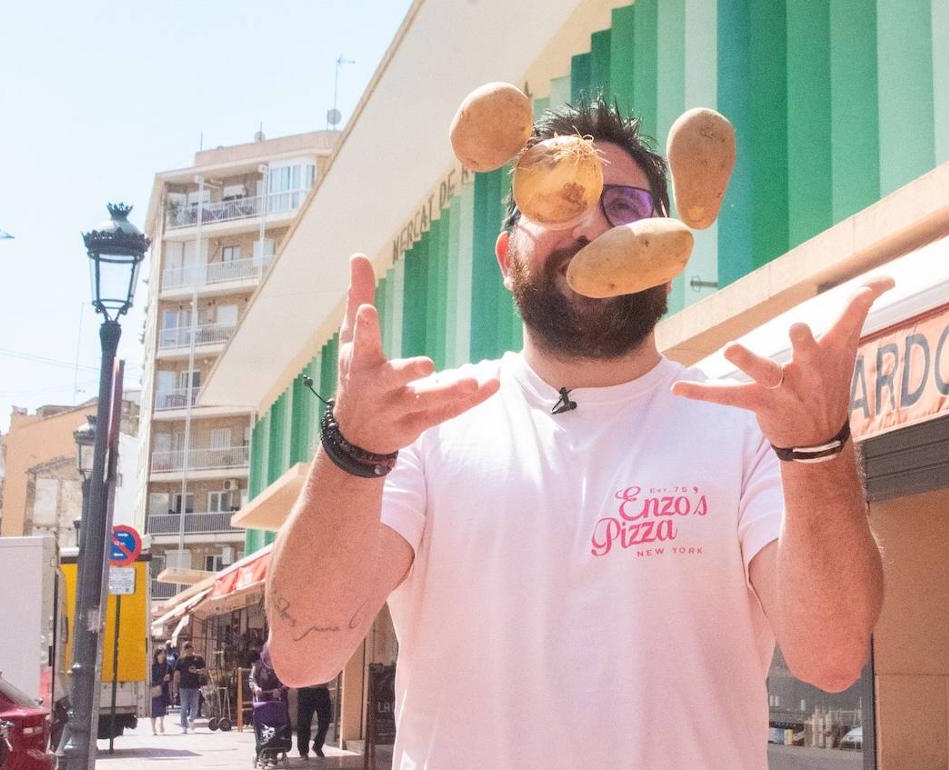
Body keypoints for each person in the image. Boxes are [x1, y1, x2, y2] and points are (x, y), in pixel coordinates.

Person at [266, 99, 888, 768]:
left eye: (623, 206)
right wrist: (351, 450)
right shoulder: (428, 429)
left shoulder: (745, 426)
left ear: (667, 251)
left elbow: (830, 658)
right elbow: (305, 654)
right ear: (507, 258)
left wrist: (819, 449)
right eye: (560, 202)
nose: (592, 225)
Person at [172, 641, 207, 733]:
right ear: (184, 650)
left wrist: (197, 671)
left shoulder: (198, 659)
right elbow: (176, 674)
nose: (189, 651)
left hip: (195, 686)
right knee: (184, 707)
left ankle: (191, 720)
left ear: (193, 648)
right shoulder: (180, 660)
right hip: (183, 687)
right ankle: (184, 726)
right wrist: (174, 687)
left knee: (195, 707)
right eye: (187, 649)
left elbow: (204, 670)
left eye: (190, 648)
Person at [295, 682, 332, 759]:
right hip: (306, 689)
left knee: (325, 720)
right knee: (304, 722)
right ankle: (303, 751)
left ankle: (317, 746)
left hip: (322, 690)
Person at [149, 647, 172, 735]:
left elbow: (171, 676)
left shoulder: (167, 666)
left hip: (164, 689)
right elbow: (151, 680)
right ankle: (153, 728)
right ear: (156, 655)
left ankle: (161, 724)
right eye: (160, 654)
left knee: (163, 708)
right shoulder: (152, 666)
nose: (162, 656)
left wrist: (168, 678)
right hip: (155, 689)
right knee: (154, 710)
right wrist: (162, 680)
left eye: (163, 654)